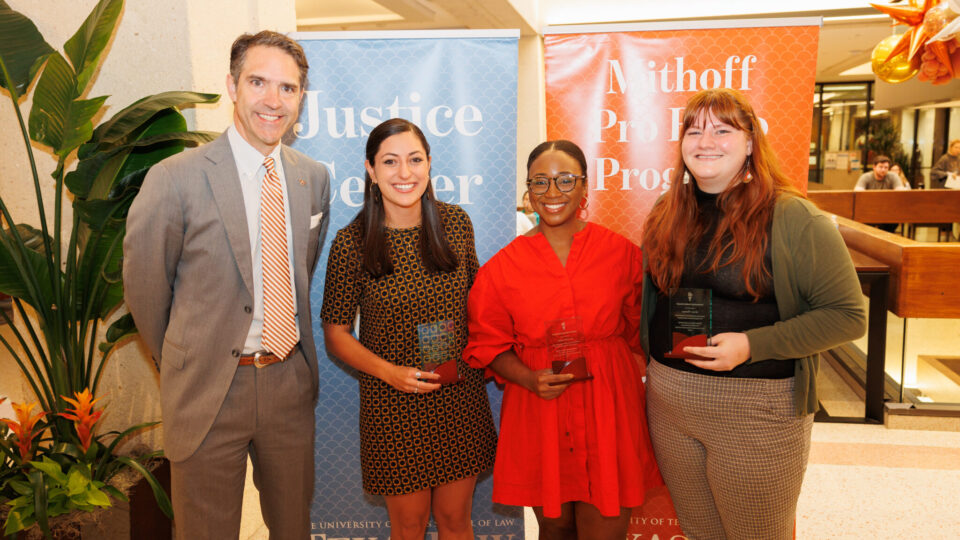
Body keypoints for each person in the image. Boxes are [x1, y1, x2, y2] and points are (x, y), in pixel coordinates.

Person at [123, 31, 330, 538]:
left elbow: (302, 262)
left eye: (288, 88)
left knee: (293, 529)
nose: (273, 100)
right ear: (232, 86)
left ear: (301, 98)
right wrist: (185, 358)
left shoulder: (313, 177)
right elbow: (147, 291)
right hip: (209, 389)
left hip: (288, 383)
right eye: (258, 82)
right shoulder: (175, 178)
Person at [641, 88, 866, 540]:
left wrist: (752, 345)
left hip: (756, 411)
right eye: (695, 130)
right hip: (671, 403)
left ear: (750, 143)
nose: (706, 141)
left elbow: (847, 315)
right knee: (700, 532)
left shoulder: (794, 216)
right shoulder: (668, 211)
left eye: (723, 130)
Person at [464, 140, 662, 540]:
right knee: (554, 529)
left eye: (565, 180)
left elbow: (640, 329)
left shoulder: (622, 254)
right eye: (541, 181)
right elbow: (487, 344)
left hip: (608, 405)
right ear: (527, 190)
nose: (552, 193)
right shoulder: (501, 269)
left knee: (605, 526)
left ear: (585, 186)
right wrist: (526, 376)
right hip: (540, 405)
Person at [321, 118, 497, 540]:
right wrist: (390, 373)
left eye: (415, 159)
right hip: (391, 404)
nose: (405, 173)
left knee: (457, 520)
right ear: (371, 170)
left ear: (430, 164)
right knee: (409, 525)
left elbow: (479, 304)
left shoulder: (456, 224)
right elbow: (336, 333)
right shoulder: (351, 243)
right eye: (390, 162)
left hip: (458, 397)